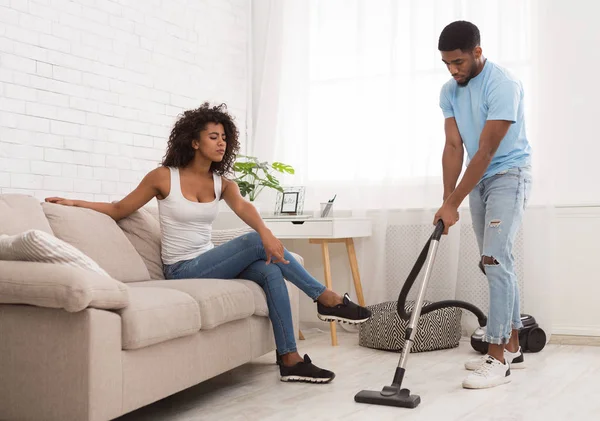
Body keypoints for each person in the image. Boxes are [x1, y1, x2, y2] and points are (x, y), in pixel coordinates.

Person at [45, 102, 372, 384]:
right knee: (255, 241)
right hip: (182, 269)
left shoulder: (221, 183)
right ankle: (325, 298)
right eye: (213, 137)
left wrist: (268, 237)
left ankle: (289, 360)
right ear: (194, 142)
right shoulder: (163, 177)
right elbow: (119, 209)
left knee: (270, 269)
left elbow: (245, 208)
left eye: (224, 137)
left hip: (210, 262)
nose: (221, 143)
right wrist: (76, 204)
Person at [434, 21, 532, 389]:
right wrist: (448, 202)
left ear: (477, 52)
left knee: (494, 259)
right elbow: (454, 147)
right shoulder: (449, 91)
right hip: (479, 182)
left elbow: (487, 150)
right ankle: (514, 348)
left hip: (509, 175)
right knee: (495, 262)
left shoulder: (502, 84)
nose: (453, 70)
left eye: (458, 62)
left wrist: (454, 201)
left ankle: (496, 359)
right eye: (446, 63)